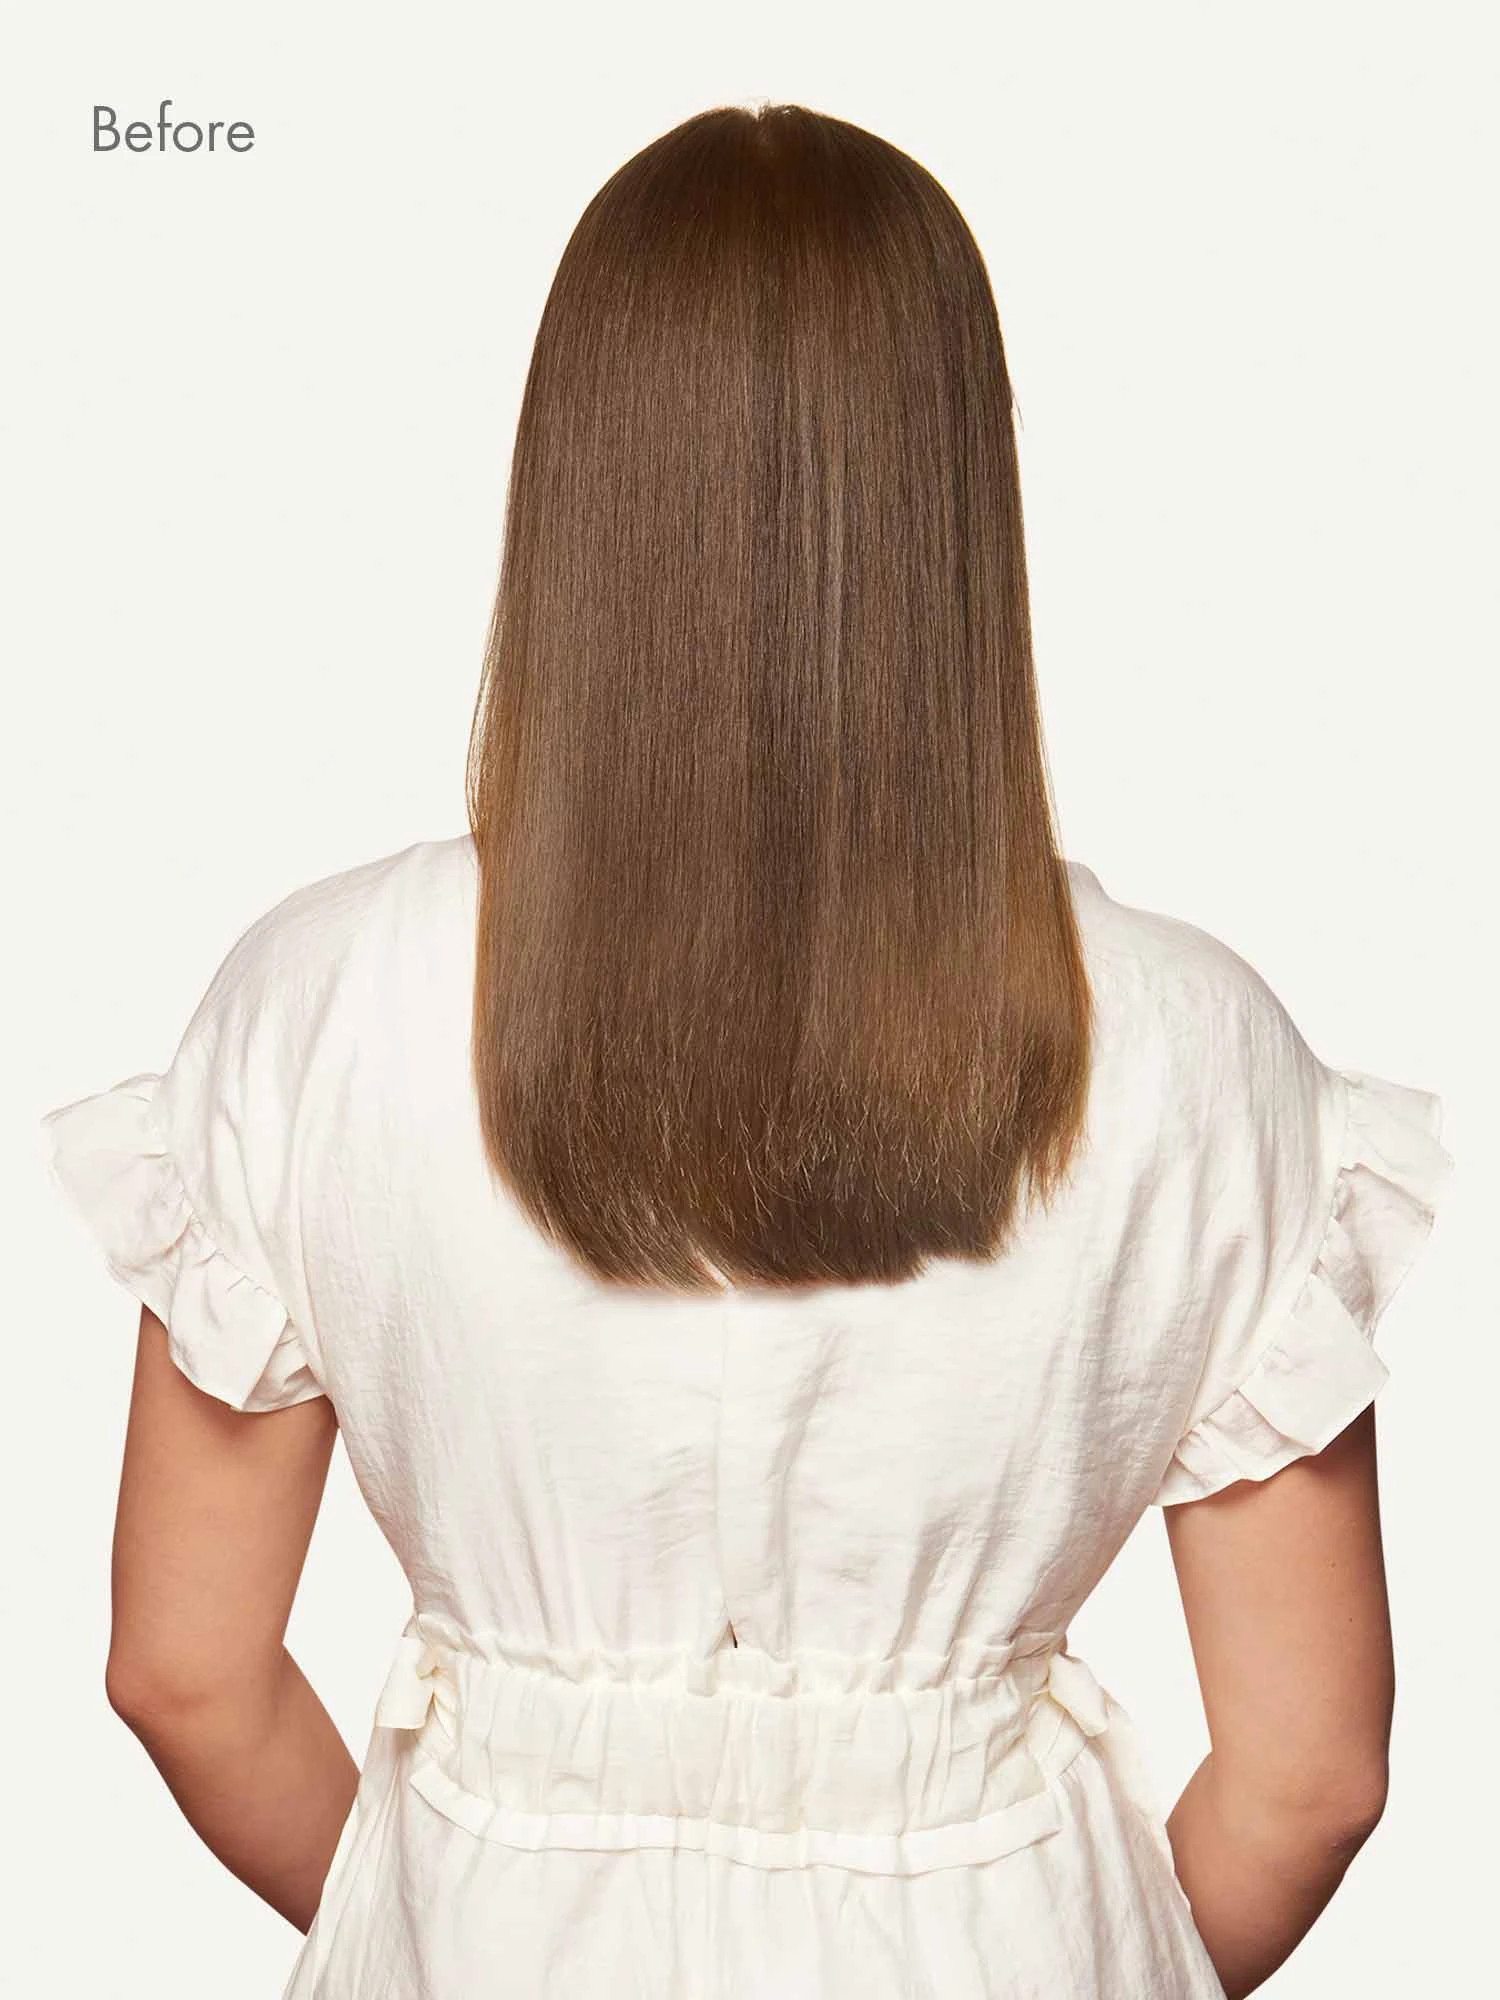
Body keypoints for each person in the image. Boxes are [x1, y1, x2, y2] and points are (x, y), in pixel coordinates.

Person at [40, 102, 1451, 2000]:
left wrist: (448, 1920)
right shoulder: (1204, 1053)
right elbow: (1311, 1776)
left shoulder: (319, 1003)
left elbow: (185, 1673)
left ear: (578, 469)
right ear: (955, 493)